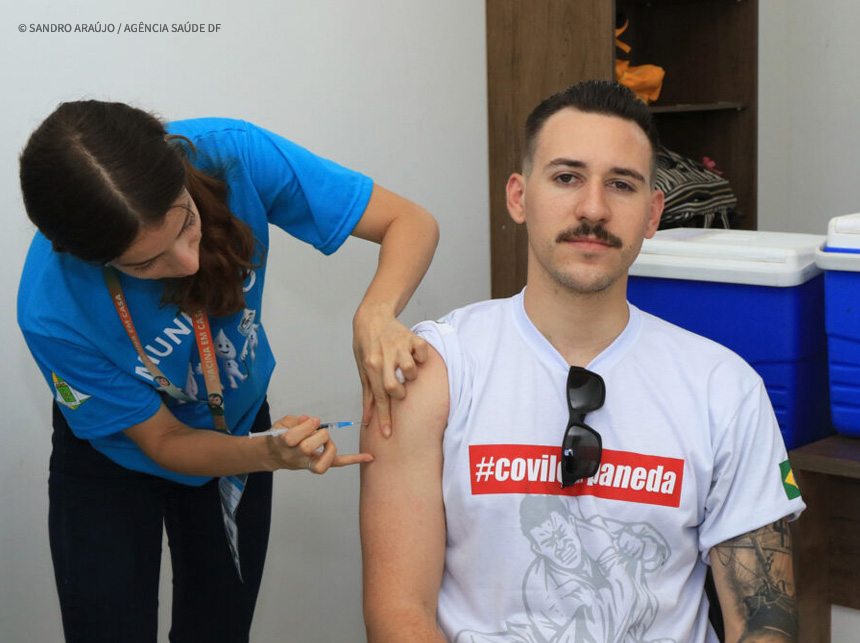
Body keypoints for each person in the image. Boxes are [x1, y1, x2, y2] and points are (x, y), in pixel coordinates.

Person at [359, 80, 804, 643]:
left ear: (652, 213)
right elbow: (400, 615)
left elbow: (766, 622)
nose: (593, 208)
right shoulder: (433, 370)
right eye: (567, 177)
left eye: (621, 185)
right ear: (519, 198)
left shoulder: (724, 387)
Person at [17, 100, 438, 643]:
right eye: (146, 263)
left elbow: (411, 222)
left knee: (219, 630)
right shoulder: (51, 311)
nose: (187, 262)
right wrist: (266, 454)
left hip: (236, 423)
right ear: (81, 256)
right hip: (115, 455)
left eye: (185, 222)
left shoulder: (233, 153)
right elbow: (165, 440)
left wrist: (375, 313)